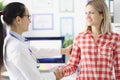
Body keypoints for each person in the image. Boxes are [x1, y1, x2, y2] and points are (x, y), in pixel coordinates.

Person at [0, 2, 72, 80]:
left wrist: (64, 50)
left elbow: (35, 51)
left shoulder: (15, 41)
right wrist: (55, 75)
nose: (30, 21)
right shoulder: (16, 47)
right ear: (18, 20)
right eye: (28, 16)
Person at [54, 0, 120, 80]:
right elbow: (72, 65)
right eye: (86, 13)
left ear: (102, 15)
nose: (87, 16)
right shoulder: (79, 38)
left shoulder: (115, 39)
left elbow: (118, 69)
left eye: (91, 13)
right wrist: (61, 72)